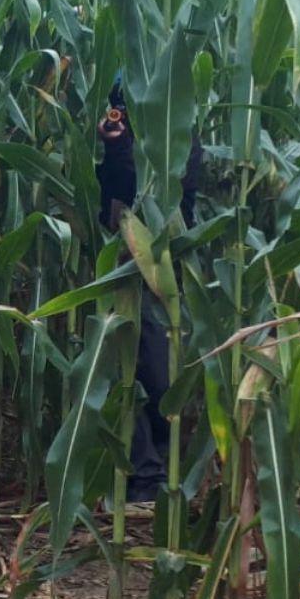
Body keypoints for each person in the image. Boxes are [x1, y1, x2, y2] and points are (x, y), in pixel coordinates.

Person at [95, 79, 203, 508]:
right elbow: (114, 195)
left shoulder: (181, 131)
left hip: (167, 262)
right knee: (129, 369)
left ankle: (163, 475)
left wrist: (122, 152)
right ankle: (144, 478)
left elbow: (177, 183)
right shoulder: (117, 130)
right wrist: (115, 148)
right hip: (122, 261)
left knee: (160, 375)